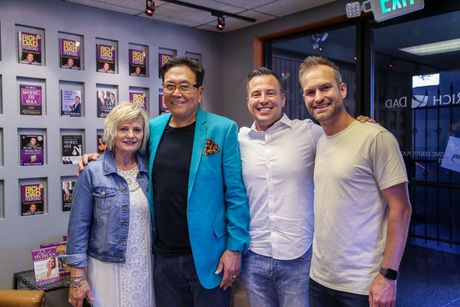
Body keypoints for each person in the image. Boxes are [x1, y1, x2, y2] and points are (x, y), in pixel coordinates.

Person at [78, 57, 250, 307]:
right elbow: (126, 150)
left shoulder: (222, 129)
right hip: (161, 259)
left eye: (185, 86)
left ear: (200, 92)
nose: (176, 93)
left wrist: (234, 249)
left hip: (209, 257)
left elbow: (235, 194)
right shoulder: (153, 128)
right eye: (170, 86)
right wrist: (96, 158)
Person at [299, 56, 412, 307]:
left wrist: (389, 276)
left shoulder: (376, 138)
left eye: (325, 87)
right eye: (310, 92)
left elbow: (402, 209)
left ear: (342, 89)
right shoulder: (318, 141)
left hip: (363, 283)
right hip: (319, 278)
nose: (318, 97)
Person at [238, 67, 323, 307]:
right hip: (253, 256)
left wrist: (362, 124)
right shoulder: (238, 140)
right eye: (256, 94)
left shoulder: (309, 133)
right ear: (248, 101)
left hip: (298, 255)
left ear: (282, 98)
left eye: (270, 93)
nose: (263, 100)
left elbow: (343, 138)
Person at [63, 102, 154, 307]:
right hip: (106, 267)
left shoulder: (150, 169)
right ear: (112, 132)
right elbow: (78, 228)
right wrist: (77, 277)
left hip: (145, 265)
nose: (131, 135)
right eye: (123, 129)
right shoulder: (92, 172)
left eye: (137, 129)